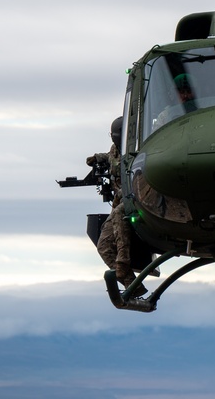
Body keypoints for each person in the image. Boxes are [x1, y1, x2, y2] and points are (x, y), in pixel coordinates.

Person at [93, 117, 146, 297]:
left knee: (118, 213)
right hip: (121, 200)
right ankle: (133, 285)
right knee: (104, 246)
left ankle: (123, 261)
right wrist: (97, 158)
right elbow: (111, 158)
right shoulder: (116, 150)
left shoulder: (140, 148)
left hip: (139, 199)